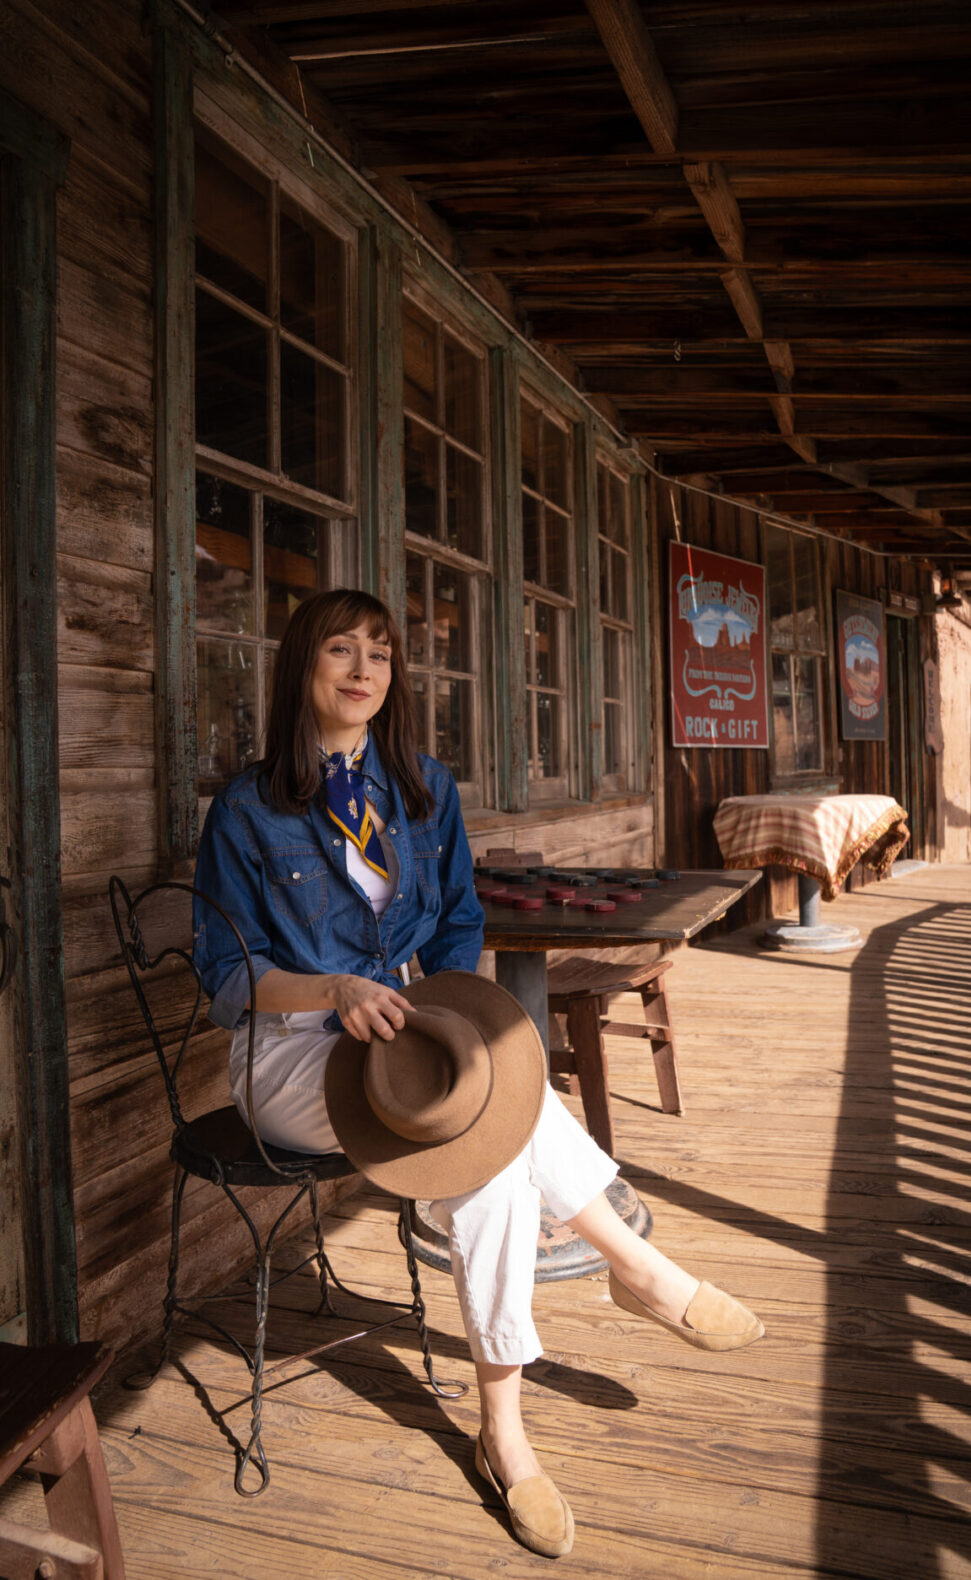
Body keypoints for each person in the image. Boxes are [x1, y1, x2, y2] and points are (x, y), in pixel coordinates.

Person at [193, 587, 763, 1559]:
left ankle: (507, 1427)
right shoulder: (248, 808)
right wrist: (332, 990)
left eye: (380, 650)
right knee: (479, 1124)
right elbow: (225, 976)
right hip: (288, 1049)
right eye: (341, 649)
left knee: (480, 1118)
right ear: (304, 667)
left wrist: (447, 1022)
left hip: (406, 1026)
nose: (365, 668)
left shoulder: (423, 789)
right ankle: (628, 1284)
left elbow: (458, 923)